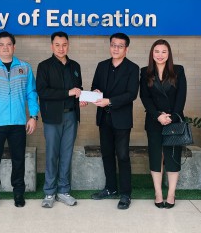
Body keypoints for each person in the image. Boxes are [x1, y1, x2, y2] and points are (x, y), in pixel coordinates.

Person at [0, 31, 39, 210]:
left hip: (18, 123)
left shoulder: (25, 68)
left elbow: (31, 94)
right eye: (1, 45)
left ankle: (18, 193)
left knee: (18, 160)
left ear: (14, 47)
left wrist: (33, 116)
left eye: (9, 44)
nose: (5, 48)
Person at [36, 31, 86, 208]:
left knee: (66, 154)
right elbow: (43, 92)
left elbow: (78, 89)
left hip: (71, 115)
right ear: (52, 46)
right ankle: (49, 192)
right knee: (52, 154)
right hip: (52, 117)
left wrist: (81, 98)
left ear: (68, 45)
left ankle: (63, 191)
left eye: (64, 45)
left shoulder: (75, 66)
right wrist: (68, 93)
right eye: (57, 45)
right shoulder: (44, 66)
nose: (61, 48)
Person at [90, 32, 139, 210]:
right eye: (113, 45)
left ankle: (126, 193)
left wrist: (109, 101)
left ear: (126, 49)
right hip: (104, 118)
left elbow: (131, 94)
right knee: (107, 153)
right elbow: (95, 86)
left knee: (123, 155)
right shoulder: (101, 66)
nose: (116, 49)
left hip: (122, 119)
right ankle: (110, 188)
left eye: (120, 46)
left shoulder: (133, 68)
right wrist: (95, 92)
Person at [140, 39, 186, 209]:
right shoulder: (145, 72)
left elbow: (181, 96)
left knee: (172, 157)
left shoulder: (178, 70)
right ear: (152, 53)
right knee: (155, 156)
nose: (160, 55)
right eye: (157, 51)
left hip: (173, 121)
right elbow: (145, 97)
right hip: (154, 120)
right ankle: (158, 192)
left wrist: (171, 117)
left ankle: (171, 193)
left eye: (164, 51)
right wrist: (158, 116)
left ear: (169, 54)